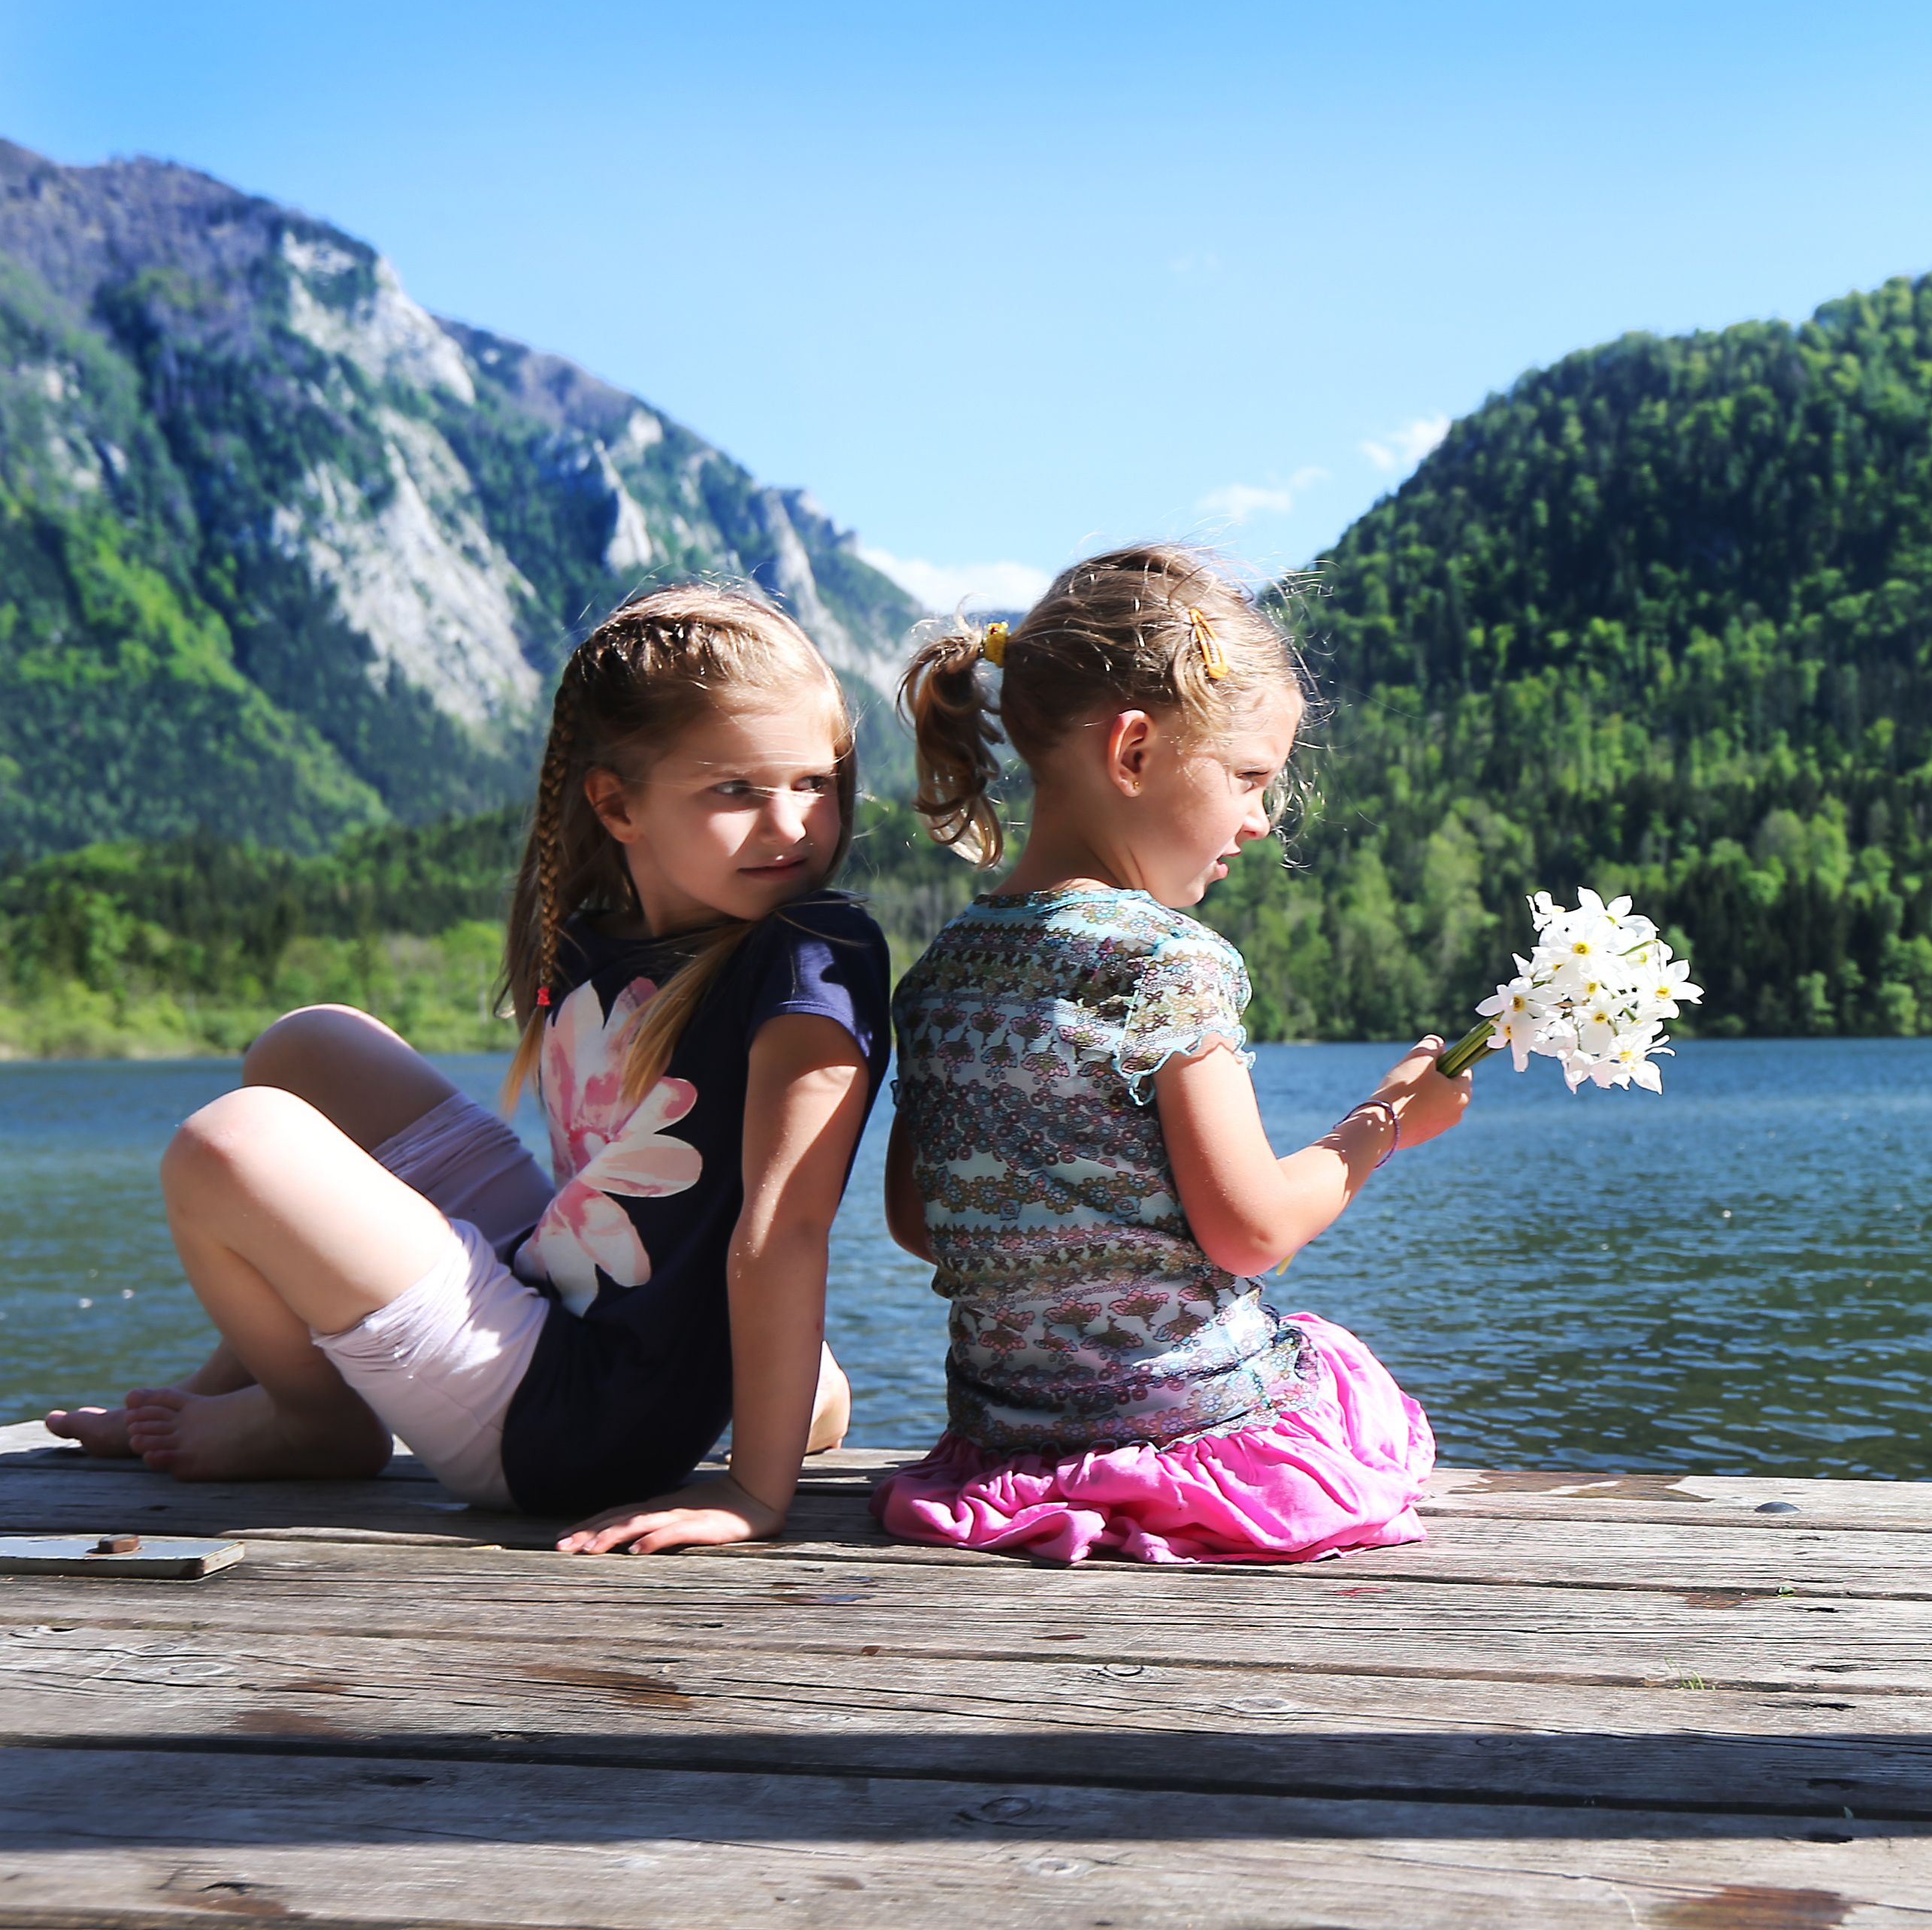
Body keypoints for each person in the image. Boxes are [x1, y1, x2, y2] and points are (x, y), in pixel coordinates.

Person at [46, 584, 891, 1555]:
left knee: (230, 1145)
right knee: (308, 1047)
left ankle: (316, 1425)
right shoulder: (593, 936)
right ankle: (239, 1392)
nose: (792, 826)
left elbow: (786, 1227)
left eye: (814, 782)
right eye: (737, 790)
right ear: (618, 805)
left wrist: (752, 1492)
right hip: (566, 1291)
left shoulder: (813, 955)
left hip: (578, 1417)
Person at [875, 544, 1464, 1564]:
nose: (1260, 819)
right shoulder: (1168, 961)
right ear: (1135, 752)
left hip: (1003, 1447)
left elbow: (921, 1222)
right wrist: (1388, 1122)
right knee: (1340, 1369)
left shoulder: (938, 975)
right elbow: (1252, 1231)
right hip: (1196, 1436)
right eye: (1248, 776)